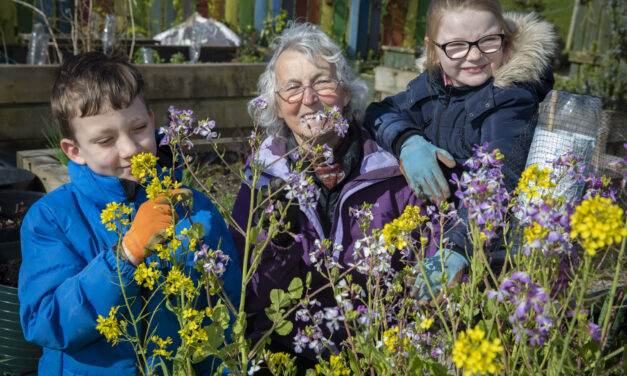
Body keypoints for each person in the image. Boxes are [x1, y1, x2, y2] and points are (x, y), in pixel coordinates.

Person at [229, 23, 437, 374]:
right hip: (288, 353)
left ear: (345, 94)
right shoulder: (263, 175)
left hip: (377, 355)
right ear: (278, 107)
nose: (308, 99)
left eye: (322, 82)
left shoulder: (393, 170)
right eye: (292, 88)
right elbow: (248, 295)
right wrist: (278, 243)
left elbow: (427, 281)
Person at [18, 52, 241, 375]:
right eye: (105, 140)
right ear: (74, 151)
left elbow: (224, 314)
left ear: (152, 120)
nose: (130, 149)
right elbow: (45, 320)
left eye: (138, 128)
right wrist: (125, 256)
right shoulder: (51, 219)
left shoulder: (196, 212)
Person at [364, 0, 557, 298]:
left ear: (505, 39)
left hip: (483, 249)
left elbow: (497, 177)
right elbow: (378, 112)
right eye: (456, 45)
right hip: (435, 231)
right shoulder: (430, 87)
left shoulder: (510, 98)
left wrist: (457, 248)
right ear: (432, 49)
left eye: (488, 41)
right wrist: (408, 141)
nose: (475, 55)